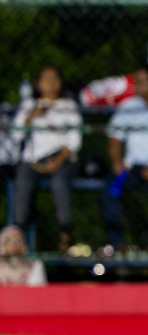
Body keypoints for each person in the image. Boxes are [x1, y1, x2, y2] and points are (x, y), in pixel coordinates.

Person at [101, 64, 148, 254]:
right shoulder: (128, 107)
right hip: (130, 169)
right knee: (111, 189)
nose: (137, 86)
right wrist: (117, 163)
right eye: (136, 82)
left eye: (142, 81)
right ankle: (117, 247)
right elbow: (115, 139)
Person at [10, 65, 82, 252]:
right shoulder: (29, 105)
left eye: (54, 78)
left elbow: (74, 141)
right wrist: (30, 117)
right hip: (33, 160)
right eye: (46, 79)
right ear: (38, 83)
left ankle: (65, 233)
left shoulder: (68, 106)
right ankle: (18, 235)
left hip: (62, 159)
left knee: (59, 182)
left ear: (60, 83)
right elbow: (15, 136)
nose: (50, 83)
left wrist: (57, 161)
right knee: (23, 182)